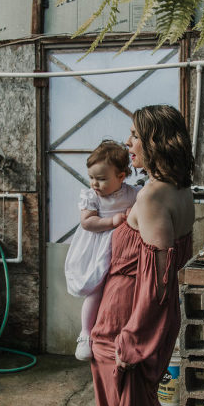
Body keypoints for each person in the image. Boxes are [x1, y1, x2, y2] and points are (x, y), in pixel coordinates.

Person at [90, 105, 196, 406]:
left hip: (123, 331)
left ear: (155, 141)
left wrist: (131, 341)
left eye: (134, 135)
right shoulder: (180, 190)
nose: (127, 143)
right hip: (137, 327)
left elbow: (157, 285)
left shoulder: (152, 197)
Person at [64, 140, 139, 361]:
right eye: (92, 178)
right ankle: (85, 333)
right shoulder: (92, 196)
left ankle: (120, 333)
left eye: (102, 179)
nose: (95, 183)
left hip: (121, 248)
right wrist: (112, 221)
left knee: (118, 289)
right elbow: (87, 222)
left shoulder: (133, 193)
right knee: (95, 290)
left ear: (122, 176)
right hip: (97, 246)